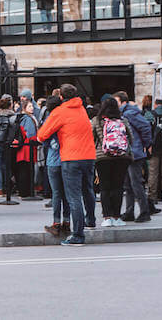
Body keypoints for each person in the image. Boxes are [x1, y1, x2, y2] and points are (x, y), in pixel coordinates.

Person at [35, 84, 97, 246]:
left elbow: (41, 135)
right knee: (88, 190)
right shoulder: (82, 109)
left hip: (71, 157)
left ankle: (78, 235)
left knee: (73, 196)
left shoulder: (60, 111)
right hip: (89, 155)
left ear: (61, 97)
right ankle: (90, 220)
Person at [92, 96, 133, 227]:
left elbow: (92, 138)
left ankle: (107, 217)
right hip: (122, 157)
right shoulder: (123, 120)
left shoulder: (97, 121)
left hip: (103, 157)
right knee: (118, 187)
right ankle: (117, 216)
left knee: (105, 187)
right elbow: (130, 138)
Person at [115, 91, 153, 223]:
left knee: (135, 183)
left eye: (117, 102)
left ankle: (144, 211)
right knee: (128, 185)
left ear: (123, 102)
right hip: (128, 153)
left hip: (134, 153)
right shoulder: (124, 114)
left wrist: (146, 144)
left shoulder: (129, 113)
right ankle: (129, 211)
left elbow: (145, 127)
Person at [40, 96, 70, 237]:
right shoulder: (66, 118)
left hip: (53, 160)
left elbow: (43, 139)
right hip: (66, 158)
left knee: (57, 193)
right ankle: (67, 222)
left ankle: (56, 223)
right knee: (67, 193)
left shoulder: (50, 119)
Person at [14, 100, 38, 198]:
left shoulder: (22, 117)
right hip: (28, 146)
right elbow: (30, 133)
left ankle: (23, 190)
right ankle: (26, 191)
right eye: (29, 106)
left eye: (32, 106)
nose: (32, 108)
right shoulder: (28, 119)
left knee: (24, 169)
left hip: (24, 146)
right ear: (24, 108)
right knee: (26, 169)